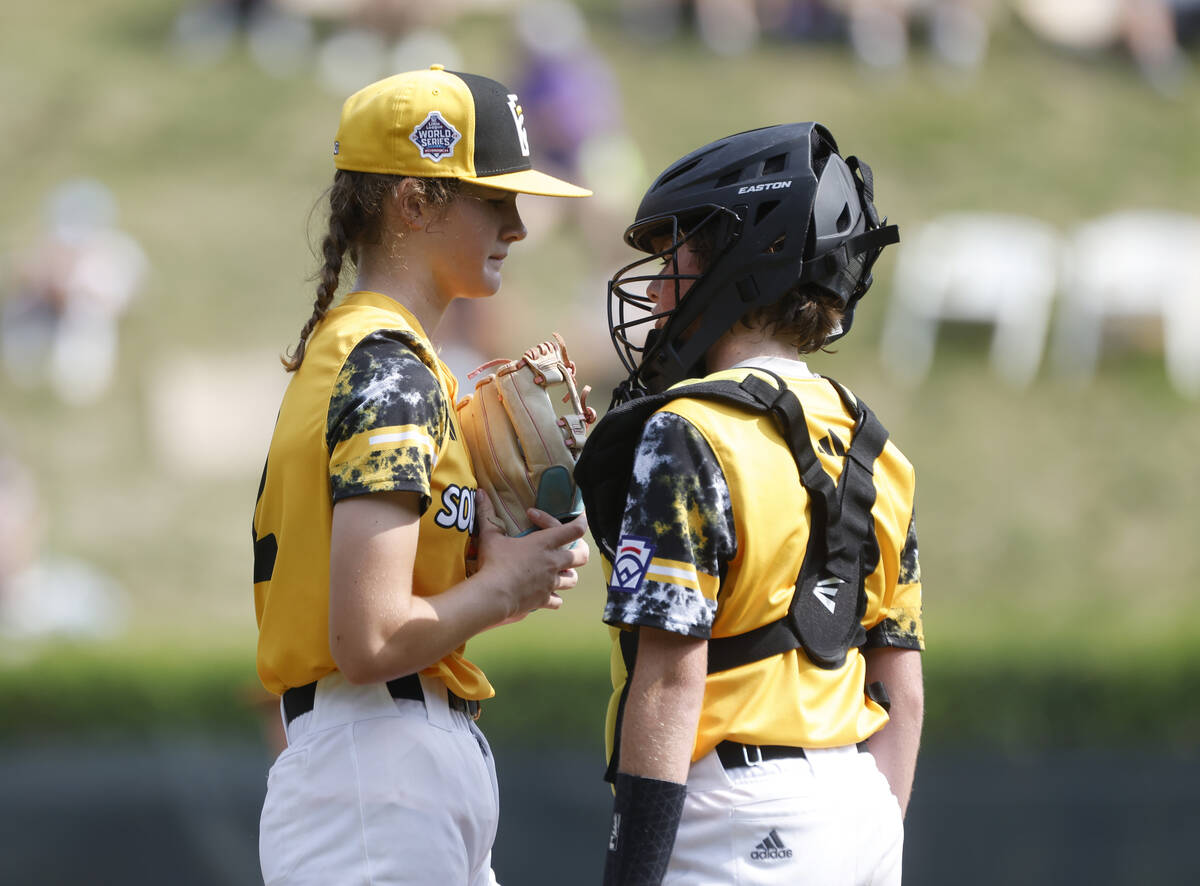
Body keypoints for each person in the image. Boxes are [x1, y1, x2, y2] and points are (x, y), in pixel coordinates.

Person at [251, 65, 592, 886]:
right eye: (492, 198)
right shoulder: (389, 369)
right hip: (379, 767)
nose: (517, 223)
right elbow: (368, 641)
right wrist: (502, 590)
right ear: (413, 202)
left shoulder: (379, 356)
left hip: (388, 764)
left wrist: (504, 568)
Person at [576, 122, 925, 884]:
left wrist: (631, 872)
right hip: (860, 805)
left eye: (677, 256)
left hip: (734, 815)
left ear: (740, 262)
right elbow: (900, 682)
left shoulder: (690, 430)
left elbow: (671, 679)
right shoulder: (875, 445)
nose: (660, 283)